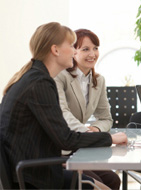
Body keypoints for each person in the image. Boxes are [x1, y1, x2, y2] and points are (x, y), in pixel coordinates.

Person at [0, 22, 128, 189]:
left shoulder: (35, 78)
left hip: (31, 168)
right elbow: (66, 139)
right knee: (100, 187)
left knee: (104, 183)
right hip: (32, 176)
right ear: (55, 50)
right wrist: (110, 138)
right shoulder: (40, 83)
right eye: (71, 46)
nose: (74, 51)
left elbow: (53, 136)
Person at [54, 29, 119, 189]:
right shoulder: (60, 76)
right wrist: (87, 132)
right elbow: (63, 114)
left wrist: (96, 129)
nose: (93, 54)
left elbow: (106, 118)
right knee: (98, 182)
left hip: (81, 150)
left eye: (95, 48)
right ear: (73, 52)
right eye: (85, 49)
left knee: (113, 180)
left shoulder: (98, 80)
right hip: (62, 150)